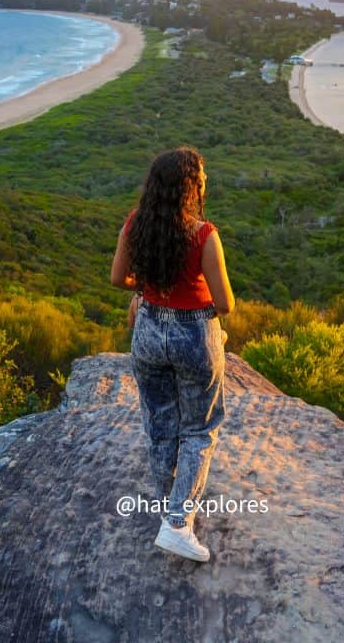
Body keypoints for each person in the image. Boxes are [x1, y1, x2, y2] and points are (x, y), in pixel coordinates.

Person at [110, 146, 235, 562]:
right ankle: (178, 523)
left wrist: (146, 292)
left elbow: (118, 278)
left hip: (147, 331)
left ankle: (171, 511)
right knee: (199, 430)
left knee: (161, 426)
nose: (205, 181)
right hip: (193, 334)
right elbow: (225, 303)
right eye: (201, 176)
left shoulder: (134, 224)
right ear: (190, 187)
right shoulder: (204, 235)